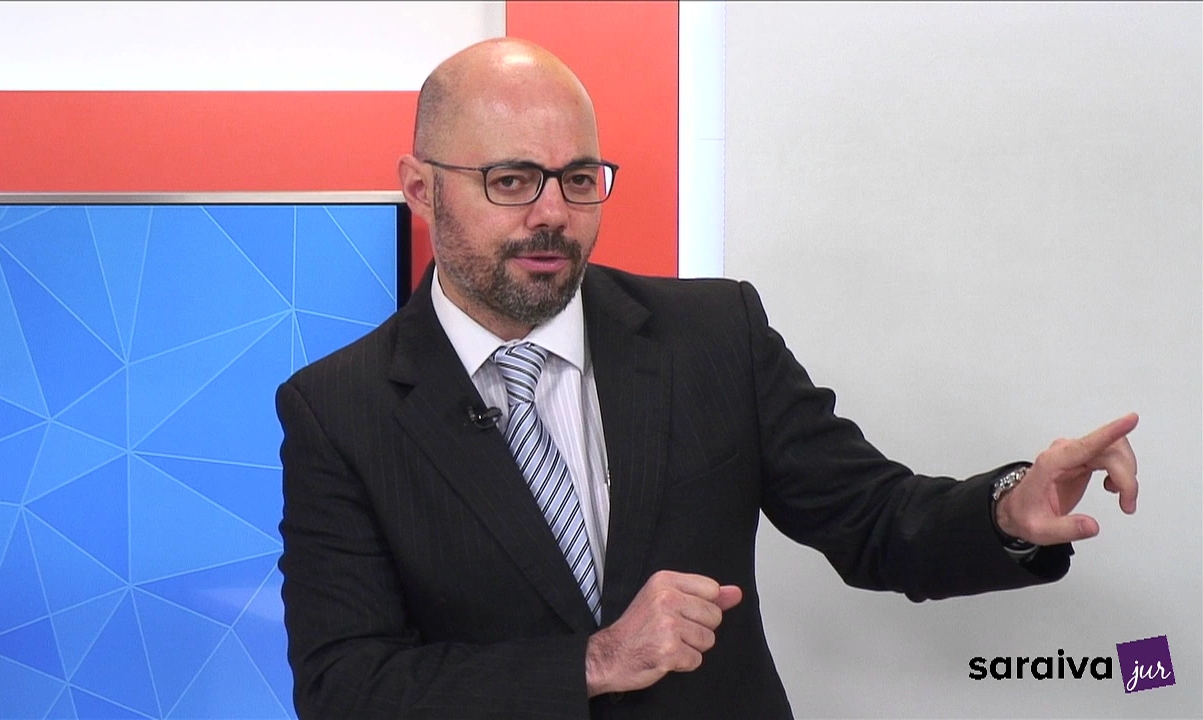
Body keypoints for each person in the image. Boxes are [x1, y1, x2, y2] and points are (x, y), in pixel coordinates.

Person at [274, 38, 1140, 719]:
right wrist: (594, 663)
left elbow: (876, 520)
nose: (553, 213)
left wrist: (1007, 510)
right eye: (511, 180)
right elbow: (346, 686)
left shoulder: (715, 335)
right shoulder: (337, 411)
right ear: (420, 189)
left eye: (579, 179)